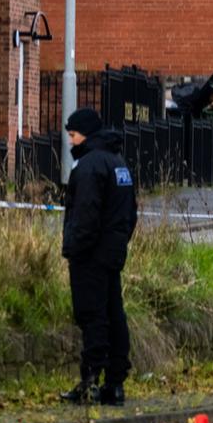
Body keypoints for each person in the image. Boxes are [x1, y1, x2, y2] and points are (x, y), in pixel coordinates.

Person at [59, 107, 136, 406]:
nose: (71, 142)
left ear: (86, 135)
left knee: (92, 316)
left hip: (90, 253)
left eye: (73, 135)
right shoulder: (118, 163)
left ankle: (90, 381)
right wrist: (119, 243)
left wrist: (74, 247)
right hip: (113, 252)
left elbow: (86, 214)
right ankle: (114, 384)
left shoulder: (89, 166)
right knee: (114, 314)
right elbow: (131, 212)